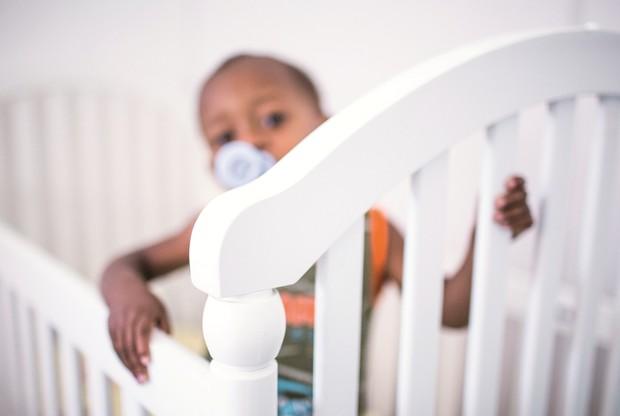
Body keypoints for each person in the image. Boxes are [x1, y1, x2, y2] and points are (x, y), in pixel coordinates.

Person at [100, 53, 533, 384]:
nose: (250, 141)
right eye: (225, 136)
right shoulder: (217, 227)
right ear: (213, 162)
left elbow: (451, 310)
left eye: (272, 118)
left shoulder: (375, 232)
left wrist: (490, 232)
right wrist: (128, 297)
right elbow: (123, 266)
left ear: (326, 127)